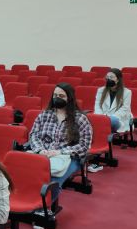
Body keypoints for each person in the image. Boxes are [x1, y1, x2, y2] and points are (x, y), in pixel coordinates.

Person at [28, 83, 92, 214]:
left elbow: (84, 145)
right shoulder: (44, 115)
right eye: (55, 95)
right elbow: (33, 135)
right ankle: (27, 202)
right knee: (26, 173)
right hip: (43, 154)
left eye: (61, 96)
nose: (57, 98)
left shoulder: (80, 119)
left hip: (67, 157)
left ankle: (42, 208)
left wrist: (60, 152)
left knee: (53, 181)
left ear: (69, 98)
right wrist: (40, 150)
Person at [91, 68, 132, 172]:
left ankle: (95, 158)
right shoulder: (101, 90)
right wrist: (101, 118)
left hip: (117, 120)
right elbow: (97, 107)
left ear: (118, 79)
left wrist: (107, 119)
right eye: (107, 77)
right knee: (99, 127)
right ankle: (95, 157)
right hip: (102, 120)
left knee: (107, 123)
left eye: (111, 77)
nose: (108, 79)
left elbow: (124, 110)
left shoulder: (127, 92)